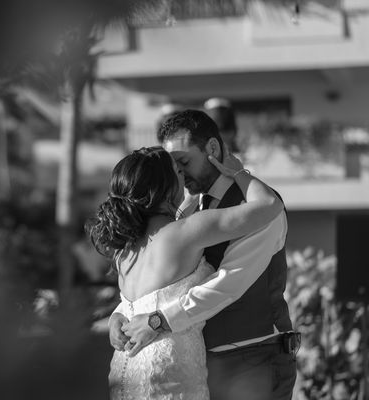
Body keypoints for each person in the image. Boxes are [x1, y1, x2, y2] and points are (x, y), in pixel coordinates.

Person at [113, 110, 298, 400]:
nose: (179, 174)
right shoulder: (188, 212)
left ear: (212, 148)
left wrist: (159, 320)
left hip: (253, 360)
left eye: (184, 162)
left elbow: (229, 284)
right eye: (174, 166)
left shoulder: (259, 211)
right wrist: (121, 315)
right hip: (200, 368)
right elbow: (155, 287)